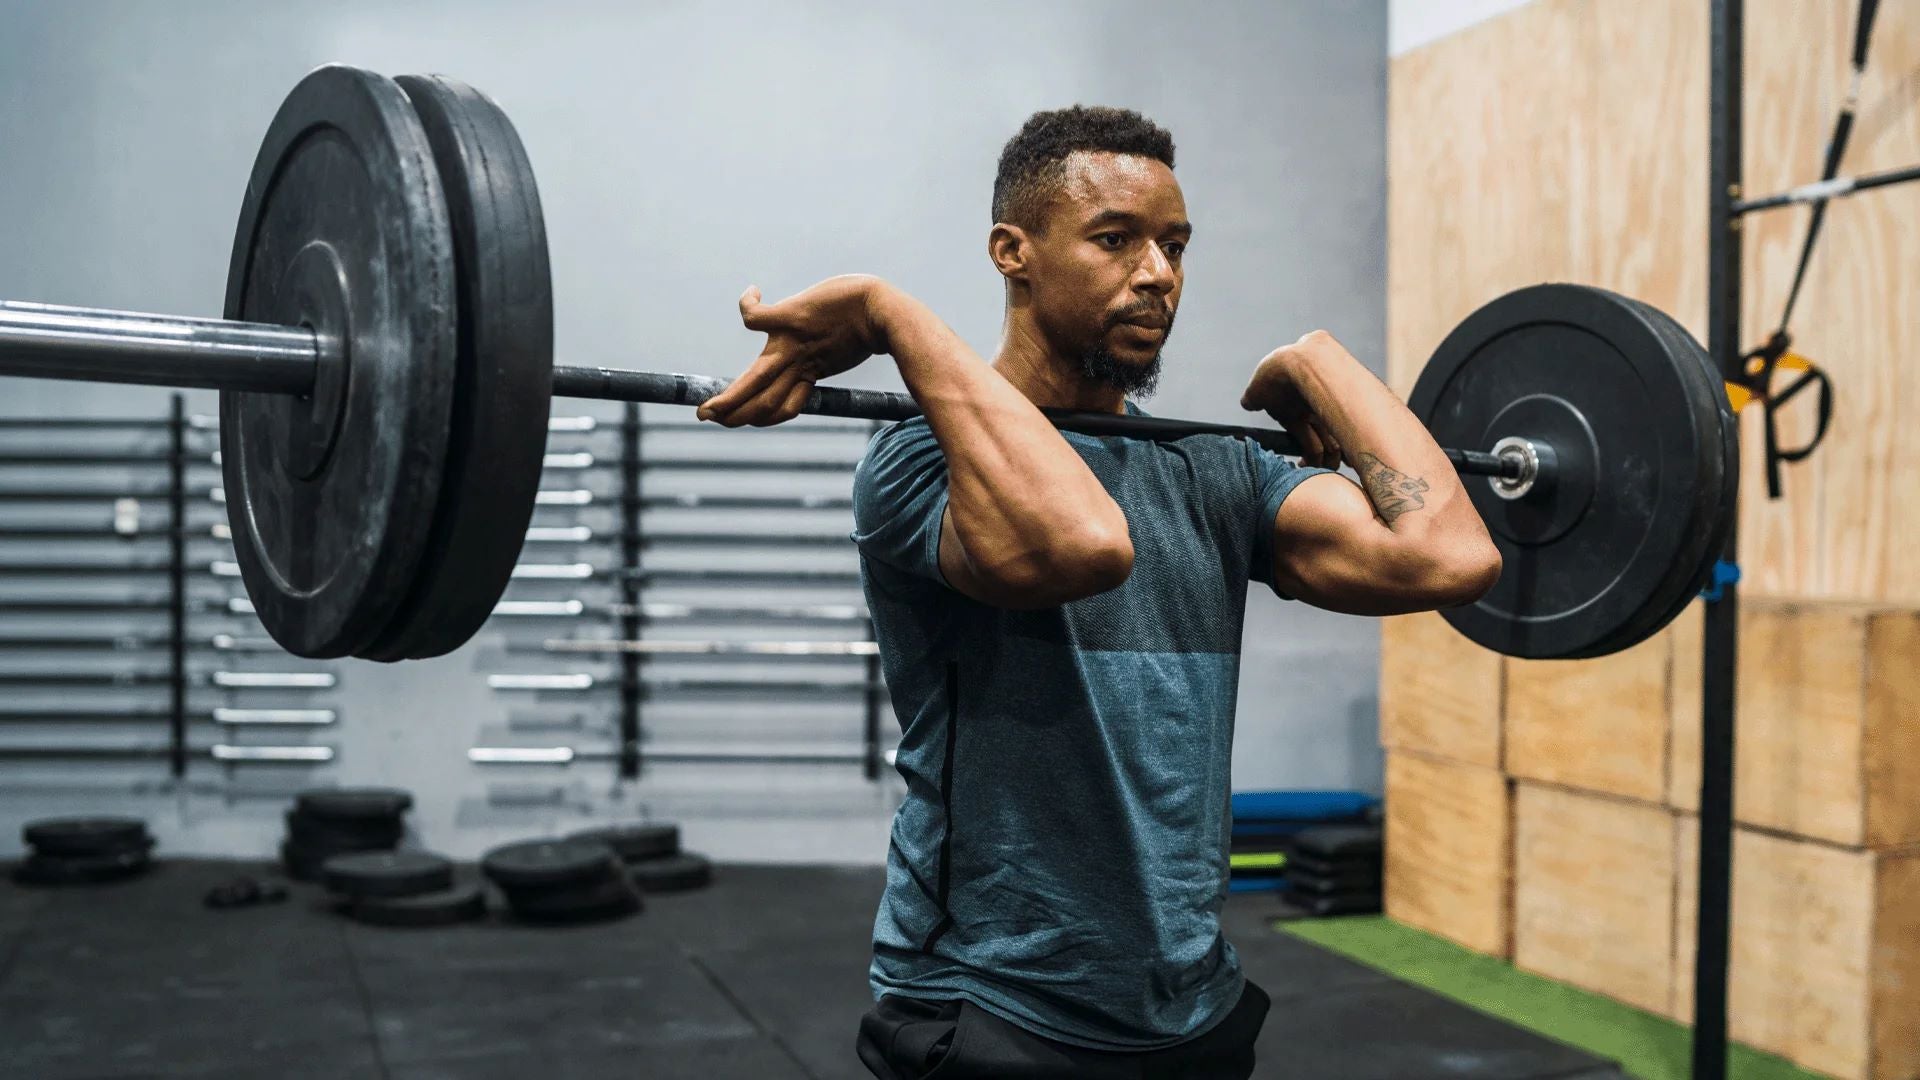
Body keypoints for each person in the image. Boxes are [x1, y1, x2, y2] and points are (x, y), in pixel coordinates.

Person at [697, 105, 1501, 1080]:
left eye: (1175, 245)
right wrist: (890, 314)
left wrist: (1317, 363)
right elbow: (1083, 544)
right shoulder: (918, 462)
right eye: (1116, 239)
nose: (1158, 272)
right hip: (993, 1009)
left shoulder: (1218, 473)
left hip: (1189, 1007)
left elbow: (1450, 558)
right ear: (1014, 251)